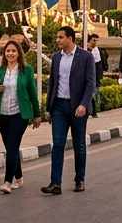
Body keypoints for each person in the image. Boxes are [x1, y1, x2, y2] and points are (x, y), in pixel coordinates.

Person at [42, 26, 97, 195]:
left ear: (70, 38)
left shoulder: (86, 57)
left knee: (78, 144)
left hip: (77, 107)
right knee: (58, 143)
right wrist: (48, 108)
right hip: (59, 105)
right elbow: (53, 83)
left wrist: (84, 104)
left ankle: (79, 179)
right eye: (57, 37)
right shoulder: (56, 58)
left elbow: (90, 83)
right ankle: (55, 182)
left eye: (60, 37)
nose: (57, 40)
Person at [0, 39, 43, 194]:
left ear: (19, 53)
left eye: (13, 51)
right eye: (8, 51)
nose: (10, 53)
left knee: (11, 146)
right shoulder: (0, 69)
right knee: (11, 147)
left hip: (20, 114)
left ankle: (7, 182)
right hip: (2, 114)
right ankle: (19, 177)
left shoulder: (27, 70)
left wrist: (37, 114)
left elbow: (32, 91)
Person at [85, 34, 105, 119]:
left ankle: (94, 111)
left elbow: (98, 65)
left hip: (93, 76)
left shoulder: (97, 51)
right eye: (93, 40)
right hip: (84, 74)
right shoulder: (85, 50)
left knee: (92, 94)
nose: (95, 42)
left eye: (96, 40)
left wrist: (98, 77)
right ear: (89, 40)